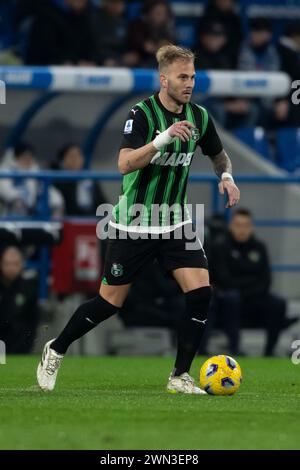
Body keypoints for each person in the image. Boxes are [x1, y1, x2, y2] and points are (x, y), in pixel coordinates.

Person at [37, 44, 240, 394]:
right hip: (133, 222)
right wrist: (161, 140)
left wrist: (227, 178)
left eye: (192, 76)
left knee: (201, 293)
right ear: (164, 79)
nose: (189, 83)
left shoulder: (201, 118)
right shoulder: (142, 114)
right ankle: (55, 348)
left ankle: (179, 376)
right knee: (108, 304)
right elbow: (124, 163)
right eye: (182, 77)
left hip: (175, 222)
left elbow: (219, 156)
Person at [205, 208, 297, 356]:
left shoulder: (259, 247)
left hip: (254, 297)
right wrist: (249, 281)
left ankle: (269, 352)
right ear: (231, 226)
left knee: (278, 303)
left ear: (251, 227)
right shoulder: (220, 246)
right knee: (231, 298)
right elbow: (224, 280)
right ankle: (235, 350)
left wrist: (242, 287)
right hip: (228, 300)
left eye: (246, 225)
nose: (242, 230)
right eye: (238, 225)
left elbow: (265, 280)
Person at [26, 0, 96, 66]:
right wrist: (62, 62)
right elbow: (43, 52)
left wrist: (87, 61)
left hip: (75, 68)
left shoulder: (86, 16)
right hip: (45, 68)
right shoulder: (46, 16)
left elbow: (90, 48)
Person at [0, 246, 39, 353]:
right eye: (7, 264)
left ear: (21, 264)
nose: (10, 268)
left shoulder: (29, 289)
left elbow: (33, 322)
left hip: (20, 348)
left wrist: (26, 346)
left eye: (15, 264)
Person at [53, 144, 106, 216]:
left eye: (79, 156)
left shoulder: (90, 179)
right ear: (63, 160)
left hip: (92, 220)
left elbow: (102, 202)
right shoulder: (58, 180)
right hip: (69, 220)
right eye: (71, 156)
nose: (75, 160)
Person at [126, 0, 175, 68]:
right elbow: (141, 44)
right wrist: (149, 46)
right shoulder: (138, 25)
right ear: (149, 13)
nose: (161, 16)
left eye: (163, 13)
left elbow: (169, 46)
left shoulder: (167, 27)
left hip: (159, 61)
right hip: (140, 59)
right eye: (157, 12)